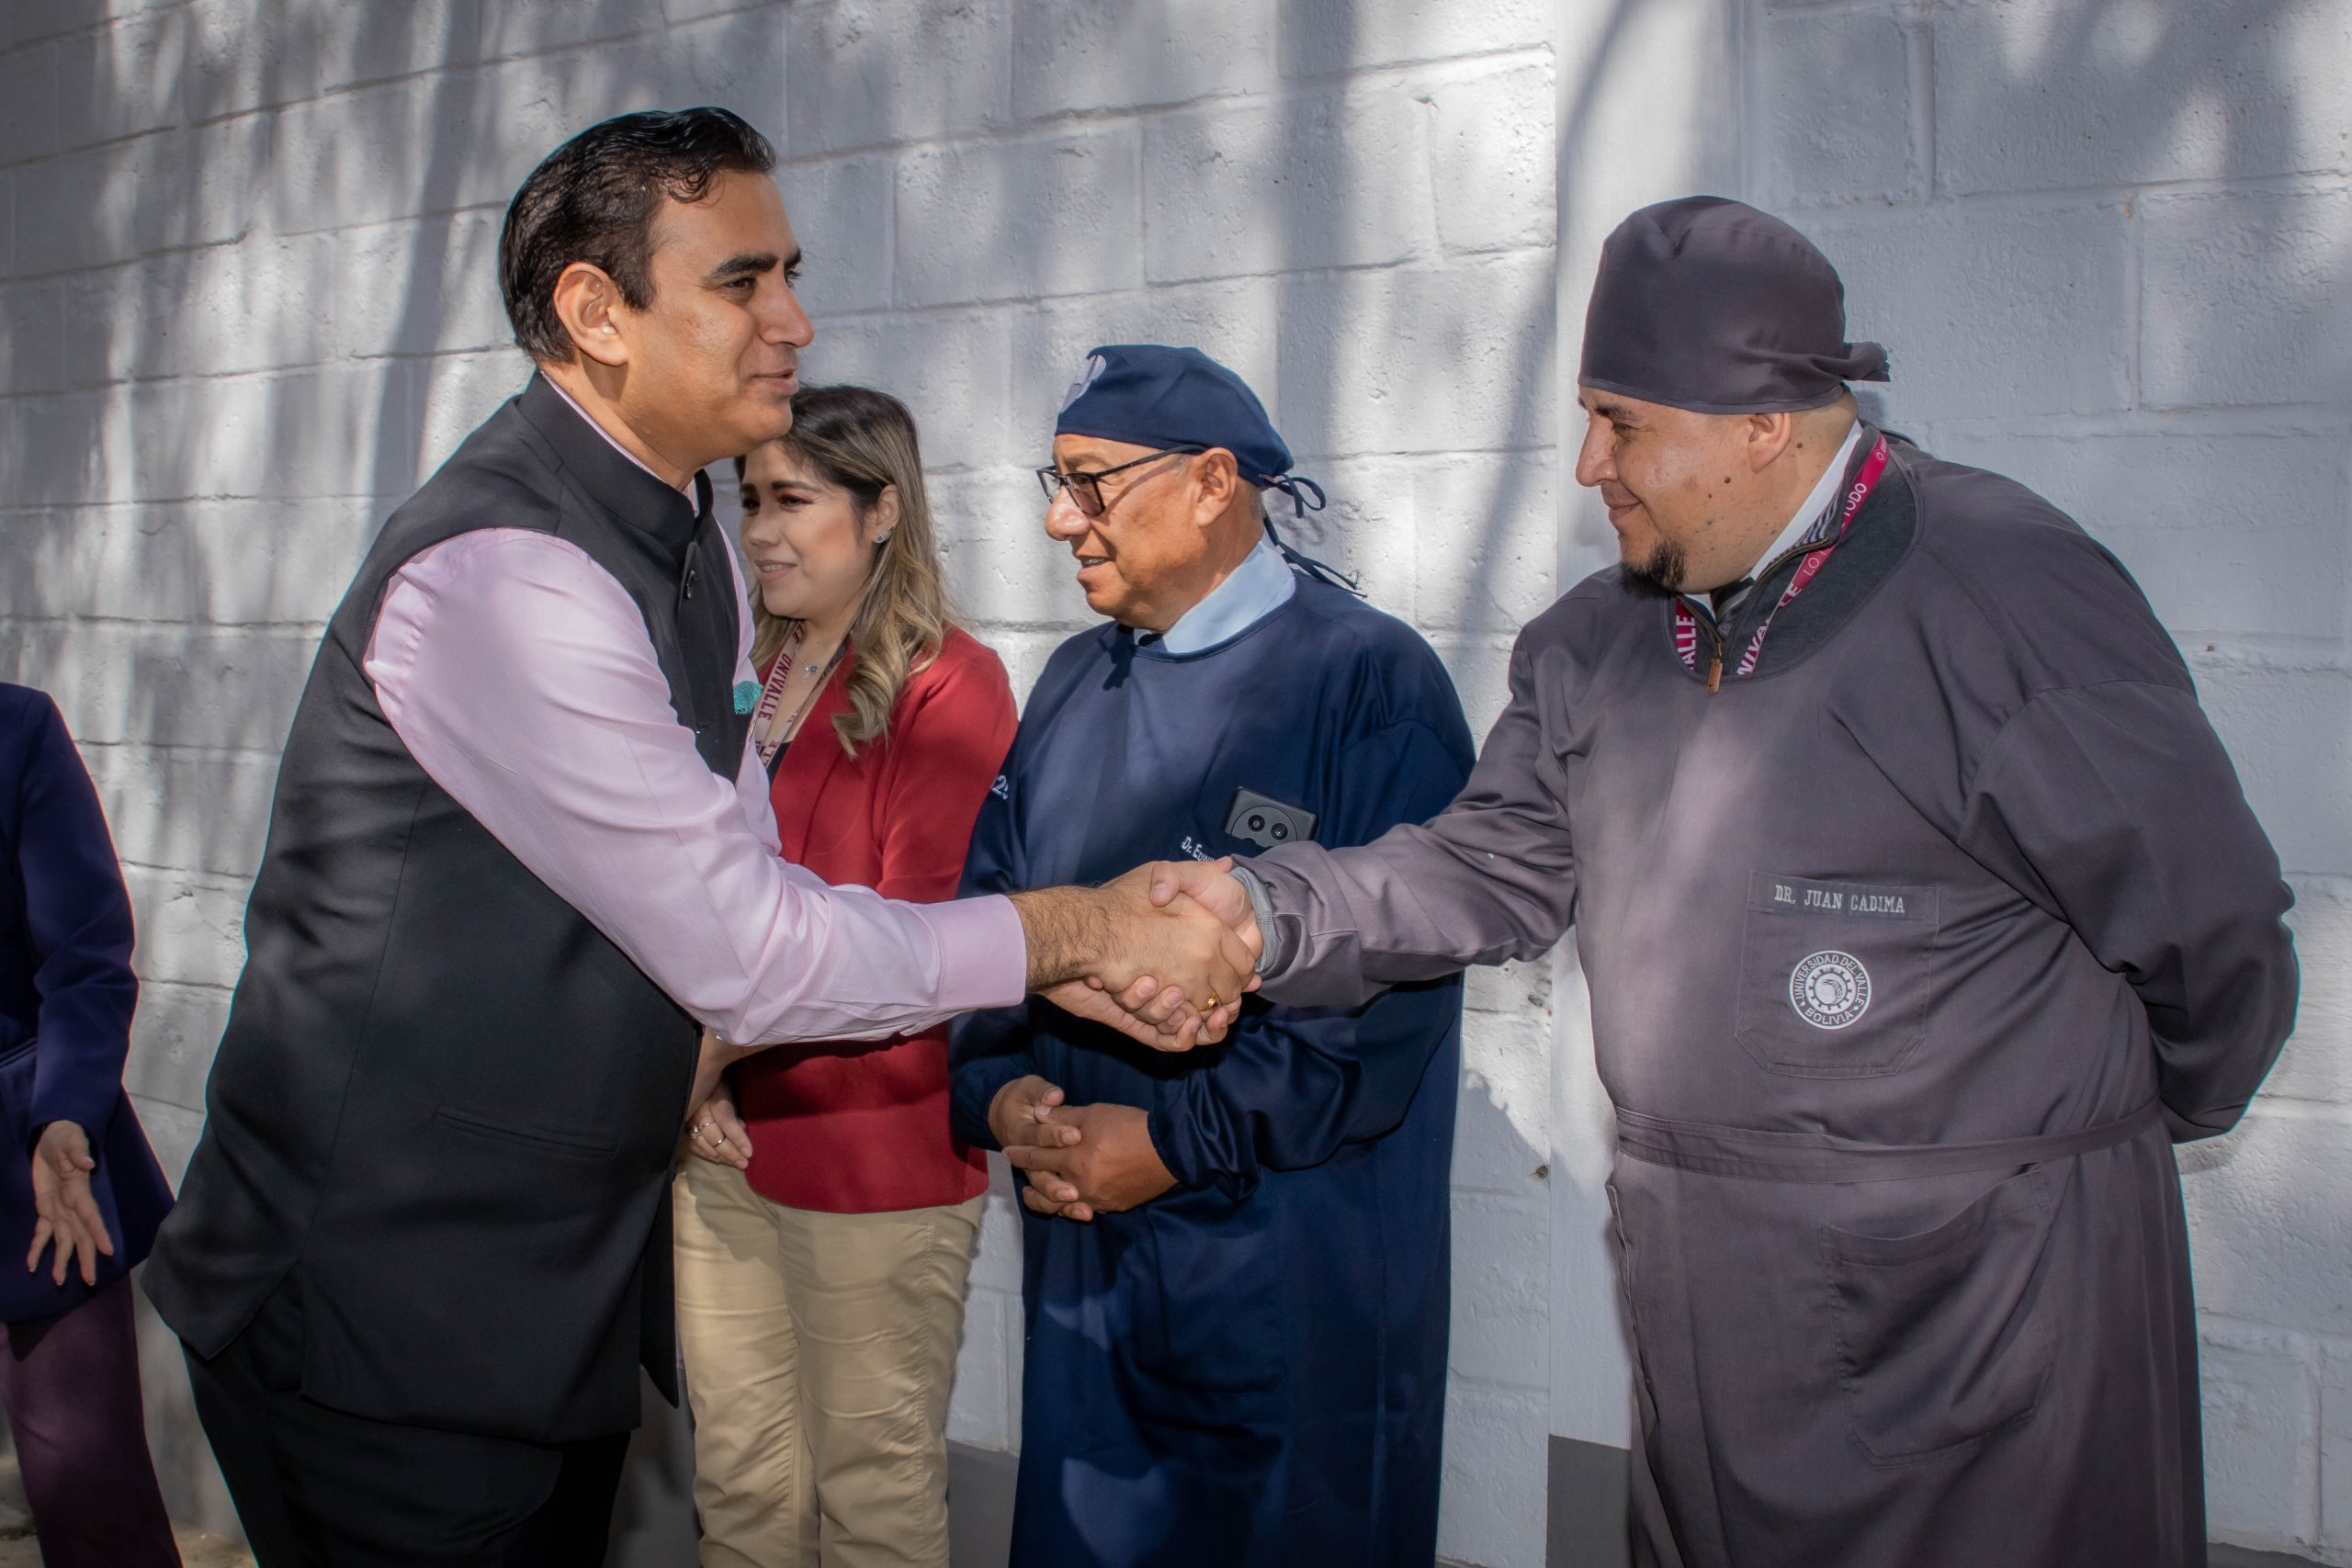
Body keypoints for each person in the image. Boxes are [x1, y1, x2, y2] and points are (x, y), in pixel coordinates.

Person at [141, 107, 1254, 1567]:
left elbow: (738, 878)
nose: (794, 319)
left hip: (540, 1300)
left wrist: (1051, 973)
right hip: (384, 1313)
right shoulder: (507, 569)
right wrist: (1080, 930)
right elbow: (748, 945)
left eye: (790, 272)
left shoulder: (692, 545)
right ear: (595, 312)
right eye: (741, 280)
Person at [1134, 197, 2300, 1568]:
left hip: (1988, 1309)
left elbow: (2211, 930)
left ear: (1763, 423)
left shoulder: (2007, 595)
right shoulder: (1592, 645)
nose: (1589, 465)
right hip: (1711, 1310)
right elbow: (1488, 864)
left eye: (1621, 424)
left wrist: (2101, 1134)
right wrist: (1270, 909)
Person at [949, 344, 1475, 1564]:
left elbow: (1384, 1009)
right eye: (1057, 482)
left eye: (1090, 482)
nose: (1059, 518)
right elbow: (994, 918)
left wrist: (1173, 1143)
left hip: (1285, 1286)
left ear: (1212, 483)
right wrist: (1004, 1095)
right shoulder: (1072, 683)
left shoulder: (1364, 682)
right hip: (1090, 1272)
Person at [673, 385, 1015, 1568]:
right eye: (749, 501)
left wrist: (708, 1054)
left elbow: (915, 934)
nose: (761, 532)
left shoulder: (948, 682)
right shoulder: (745, 670)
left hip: (873, 1149)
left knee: (872, 1499)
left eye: (793, 501)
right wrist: (704, 1081)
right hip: (721, 1135)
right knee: (740, 1486)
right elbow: (684, 899)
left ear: (881, 511)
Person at [0, 682, 181, 1568]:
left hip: (34, 1167)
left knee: (93, 1493)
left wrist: (66, 1113)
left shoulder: (16, 729)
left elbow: (87, 955)